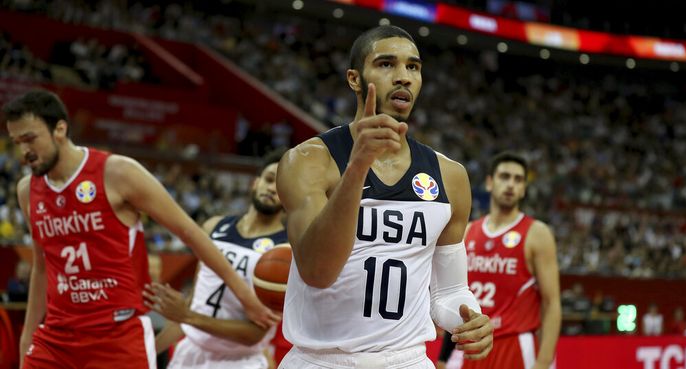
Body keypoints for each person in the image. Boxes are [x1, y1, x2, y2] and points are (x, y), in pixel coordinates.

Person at [3, 90, 279, 369]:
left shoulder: (118, 172)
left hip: (116, 334)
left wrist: (247, 298)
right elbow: (41, 266)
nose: (24, 152)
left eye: (30, 139)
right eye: (16, 142)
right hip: (57, 336)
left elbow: (190, 233)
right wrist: (28, 334)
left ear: (59, 128)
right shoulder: (27, 190)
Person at [276, 25, 493, 369]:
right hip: (321, 361)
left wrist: (469, 318)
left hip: (406, 360)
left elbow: (449, 292)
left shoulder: (451, 176)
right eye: (387, 64)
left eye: (413, 67)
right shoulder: (308, 160)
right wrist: (357, 168)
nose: (404, 77)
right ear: (354, 79)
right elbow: (317, 271)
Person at [143, 149, 288, 369]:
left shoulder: (285, 251)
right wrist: (146, 355)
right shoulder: (214, 226)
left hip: (239, 361)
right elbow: (195, 302)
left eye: (281, 187)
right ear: (255, 183)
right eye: (269, 179)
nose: (272, 188)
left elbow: (254, 334)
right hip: (189, 354)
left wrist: (189, 317)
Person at [438, 151, 561, 369]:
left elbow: (551, 303)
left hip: (515, 345)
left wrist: (544, 362)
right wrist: (443, 357)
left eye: (518, 179)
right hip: (471, 345)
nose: (511, 184)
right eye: (504, 177)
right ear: (489, 182)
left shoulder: (537, 233)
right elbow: (455, 296)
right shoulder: (467, 232)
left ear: (523, 189)